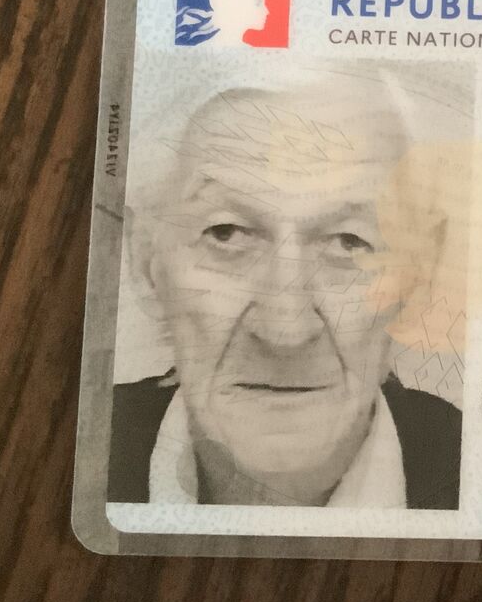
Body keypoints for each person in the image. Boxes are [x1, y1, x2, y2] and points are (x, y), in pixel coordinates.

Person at [110, 71, 461, 508]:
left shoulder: (476, 467)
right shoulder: (81, 452)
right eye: (226, 233)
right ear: (146, 264)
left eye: (349, 242)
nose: (285, 331)